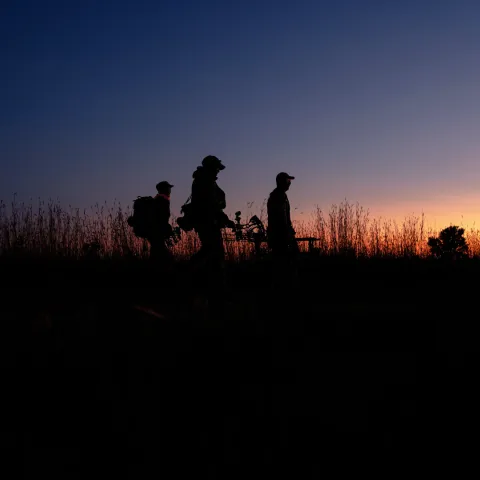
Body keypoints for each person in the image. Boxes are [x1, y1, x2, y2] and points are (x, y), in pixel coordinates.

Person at [267, 172, 299, 288]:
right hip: (280, 237)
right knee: (282, 263)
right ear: (282, 182)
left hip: (282, 235)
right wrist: (288, 234)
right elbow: (281, 218)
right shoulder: (278, 196)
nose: (289, 184)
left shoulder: (281, 196)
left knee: (286, 262)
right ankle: (282, 288)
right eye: (287, 181)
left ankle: (285, 286)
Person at [148, 181, 174, 263]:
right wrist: (165, 227)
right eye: (169, 187)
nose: (170, 190)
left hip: (155, 231)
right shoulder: (161, 200)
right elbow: (160, 217)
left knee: (156, 252)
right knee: (163, 254)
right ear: (164, 189)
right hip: (157, 231)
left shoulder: (159, 199)